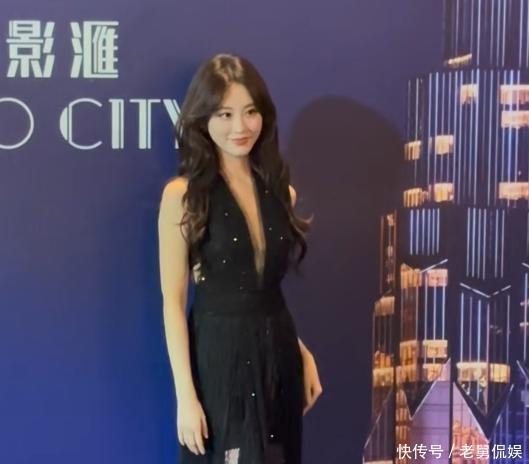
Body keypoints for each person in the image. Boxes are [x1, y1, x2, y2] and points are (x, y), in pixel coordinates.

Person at [158, 53, 322, 464]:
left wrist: (301, 351)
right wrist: (185, 398)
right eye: (225, 114)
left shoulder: (281, 193)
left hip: (278, 355)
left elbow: (263, 290)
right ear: (203, 119)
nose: (240, 127)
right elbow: (173, 303)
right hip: (219, 358)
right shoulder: (183, 197)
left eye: (250, 112)